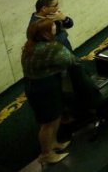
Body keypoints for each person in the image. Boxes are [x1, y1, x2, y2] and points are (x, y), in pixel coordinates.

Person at [22, 18, 76, 165]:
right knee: (48, 123)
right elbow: (69, 60)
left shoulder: (30, 45)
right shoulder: (51, 47)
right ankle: (46, 154)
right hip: (47, 87)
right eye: (53, 26)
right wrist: (63, 34)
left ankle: (53, 144)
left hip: (34, 86)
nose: (55, 28)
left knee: (54, 116)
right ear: (45, 32)